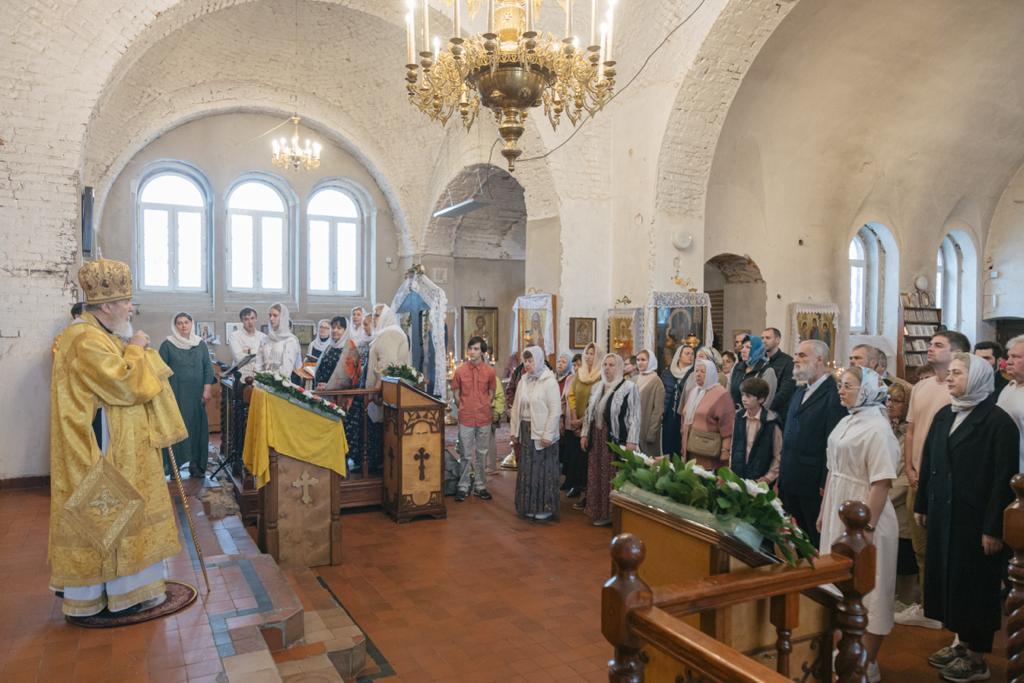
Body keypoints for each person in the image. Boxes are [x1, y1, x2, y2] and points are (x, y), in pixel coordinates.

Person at [50, 258, 186, 618]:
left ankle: (121, 590)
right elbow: (125, 384)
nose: (130, 308)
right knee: (109, 517)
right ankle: (119, 593)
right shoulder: (84, 338)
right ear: (107, 306)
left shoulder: (98, 334)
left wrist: (130, 347)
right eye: (126, 302)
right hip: (99, 447)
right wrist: (137, 347)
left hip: (115, 442)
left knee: (117, 515)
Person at [915, 353, 1019, 683]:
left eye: (958, 373)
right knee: (951, 581)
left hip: (975, 520)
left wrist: (993, 528)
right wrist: (922, 503)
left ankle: (977, 657)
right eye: (951, 372)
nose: (949, 377)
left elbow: (1003, 480)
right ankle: (960, 641)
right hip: (944, 513)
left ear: (976, 378)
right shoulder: (945, 414)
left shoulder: (998, 423)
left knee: (975, 587)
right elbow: (930, 460)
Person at [817, 367, 899, 683]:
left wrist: (866, 528)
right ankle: (847, 650)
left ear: (866, 390)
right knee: (837, 584)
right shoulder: (847, 419)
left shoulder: (878, 428)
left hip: (864, 515)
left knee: (871, 590)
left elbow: (881, 482)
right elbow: (833, 469)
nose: (841, 390)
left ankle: (869, 661)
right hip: (839, 507)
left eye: (848, 385)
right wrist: (825, 510)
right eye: (840, 384)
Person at [900, 330, 970, 628]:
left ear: (956, 353)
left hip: (944, 482)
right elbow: (912, 431)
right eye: (929, 344)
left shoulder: (962, 389)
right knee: (920, 547)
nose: (930, 348)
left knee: (946, 546)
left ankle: (946, 606)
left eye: (938, 345)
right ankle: (929, 605)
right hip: (918, 478)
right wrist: (909, 467)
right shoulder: (921, 387)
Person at [778, 340, 846, 546]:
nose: (795, 360)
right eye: (795, 355)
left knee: (814, 540)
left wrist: (825, 481)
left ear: (819, 360)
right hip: (790, 476)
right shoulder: (800, 390)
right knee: (795, 538)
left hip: (813, 482)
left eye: (802, 355)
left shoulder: (833, 394)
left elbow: (831, 441)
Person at [581, 353, 640, 527]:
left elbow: (635, 416)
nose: (607, 368)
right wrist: (584, 434)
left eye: (612, 365)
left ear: (619, 367)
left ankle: (612, 514)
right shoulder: (597, 387)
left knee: (612, 475)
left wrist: (632, 440)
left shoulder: (629, 387)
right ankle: (598, 511)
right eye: (605, 365)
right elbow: (588, 413)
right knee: (597, 474)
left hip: (615, 439)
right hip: (597, 438)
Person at [158, 312, 216, 479]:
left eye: (186, 322)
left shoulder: (200, 344)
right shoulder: (167, 345)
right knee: (177, 429)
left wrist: (207, 390)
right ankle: (174, 468)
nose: (183, 326)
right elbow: (160, 370)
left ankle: (196, 466)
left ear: (191, 324)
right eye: (179, 323)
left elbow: (207, 368)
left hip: (197, 395)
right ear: (175, 325)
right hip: (176, 395)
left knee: (197, 429)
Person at [510, 346, 562, 520]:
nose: (527, 364)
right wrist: (514, 430)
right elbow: (516, 407)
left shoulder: (549, 381)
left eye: (530, 360)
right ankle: (528, 506)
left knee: (543, 470)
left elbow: (555, 410)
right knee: (527, 469)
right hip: (526, 432)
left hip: (542, 432)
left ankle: (544, 508)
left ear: (539, 360)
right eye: (525, 361)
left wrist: (548, 434)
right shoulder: (523, 380)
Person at [885, 380, 920, 607]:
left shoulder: (912, 434)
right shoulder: (883, 428)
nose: (890, 404)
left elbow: (909, 474)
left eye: (897, 401)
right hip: (881, 505)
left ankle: (906, 602)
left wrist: (883, 497)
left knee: (905, 562)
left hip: (899, 506)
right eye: (888, 399)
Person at [451, 336, 497, 503]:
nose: (472, 352)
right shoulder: (460, 371)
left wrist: (484, 405)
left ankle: (480, 485)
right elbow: (456, 394)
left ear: (482, 352)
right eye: (470, 348)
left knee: (482, 453)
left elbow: (491, 393)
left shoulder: (490, 371)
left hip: (484, 416)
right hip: (466, 417)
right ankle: (463, 486)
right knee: (465, 453)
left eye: (476, 349)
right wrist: (464, 406)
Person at [680, 359, 734, 470]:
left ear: (711, 373)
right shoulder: (694, 391)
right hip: (690, 447)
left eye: (703, 372)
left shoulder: (721, 394)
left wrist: (725, 451)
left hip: (708, 451)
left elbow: (728, 426)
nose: (698, 374)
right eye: (696, 371)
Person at [565, 343, 601, 501]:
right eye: (587, 353)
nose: (589, 356)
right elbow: (571, 395)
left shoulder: (600, 375)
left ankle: (589, 493)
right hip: (576, 421)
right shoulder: (579, 373)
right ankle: (578, 486)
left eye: (592, 353)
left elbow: (596, 402)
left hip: (592, 423)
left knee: (589, 460)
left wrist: (581, 422)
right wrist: (574, 418)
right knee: (577, 458)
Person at [730, 377, 782, 484]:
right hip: (738, 475)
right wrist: (731, 469)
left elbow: (778, 454)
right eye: (742, 395)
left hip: (759, 479)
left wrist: (768, 477)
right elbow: (733, 446)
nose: (743, 399)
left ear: (761, 399)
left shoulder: (771, 422)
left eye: (748, 396)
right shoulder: (738, 417)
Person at [365, 303, 412, 391]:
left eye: (377, 315)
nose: (373, 319)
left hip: (386, 390)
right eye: (373, 315)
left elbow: (387, 365)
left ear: (386, 317)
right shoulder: (386, 332)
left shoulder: (390, 332)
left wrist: (376, 390)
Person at [997, 335, 1024, 472]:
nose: (1008, 362)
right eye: (1008, 357)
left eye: (1015, 357)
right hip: (1006, 466)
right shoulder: (1009, 387)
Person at [661, 344, 694, 456]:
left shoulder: (693, 374)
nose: (690, 356)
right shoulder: (667, 373)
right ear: (679, 356)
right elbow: (663, 393)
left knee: (681, 448)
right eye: (687, 353)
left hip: (684, 415)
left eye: (692, 354)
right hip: (669, 415)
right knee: (667, 446)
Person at [729, 335, 777, 410]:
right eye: (743, 347)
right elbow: (728, 392)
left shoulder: (767, 370)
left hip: (754, 415)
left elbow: (766, 402)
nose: (743, 350)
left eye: (748, 347)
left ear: (758, 350)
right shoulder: (737, 367)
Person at [634, 348, 665, 457]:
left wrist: (651, 433)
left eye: (643, 360)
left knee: (648, 461)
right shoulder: (634, 379)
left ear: (650, 361)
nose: (640, 363)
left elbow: (658, 410)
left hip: (646, 429)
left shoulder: (657, 382)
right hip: (633, 428)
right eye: (638, 360)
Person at [318, 317, 361, 393]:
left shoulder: (350, 348)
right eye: (333, 328)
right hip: (323, 391)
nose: (335, 330)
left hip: (340, 393)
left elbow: (348, 377)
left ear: (346, 330)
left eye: (339, 328)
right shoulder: (330, 346)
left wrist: (328, 386)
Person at [761, 327, 796, 420]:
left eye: (768, 338)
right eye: (762, 338)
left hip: (778, 414)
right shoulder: (760, 361)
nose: (764, 341)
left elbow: (785, 392)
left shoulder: (788, 362)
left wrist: (764, 407)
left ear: (777, 340)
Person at [260, 303, 301, 378]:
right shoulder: (265, 339)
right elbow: (259, 363)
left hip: (280, 381)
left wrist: (268, 377)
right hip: (263, 381)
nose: (271, 318)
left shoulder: (290, 340)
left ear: (283, 318)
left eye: (275, 315)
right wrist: (259, 377)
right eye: (270, 315)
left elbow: (286, 371)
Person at [229, 306, 265, 379]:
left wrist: (249, 353)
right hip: (241, 378)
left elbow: (266, 357)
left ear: (256, 319)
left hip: (259, 377)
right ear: (241, 320)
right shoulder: (235, 336)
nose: (250, 322)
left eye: (252, 318)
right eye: (246, 319)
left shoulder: (263, 337)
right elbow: (239, 358)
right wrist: (259, 354)